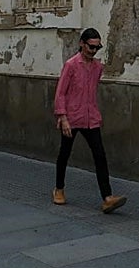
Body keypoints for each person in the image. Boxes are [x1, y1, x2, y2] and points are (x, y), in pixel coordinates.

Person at [52, 27, 126, 214]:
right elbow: (60, 92)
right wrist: (63, 117)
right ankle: (59, 188)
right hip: (72, 117)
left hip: (91, 117)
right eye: (90, 47)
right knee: (64, 153)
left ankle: (107, 197)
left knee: (100, 155)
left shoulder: (97, 67)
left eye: (96, 48)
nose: (93, 51)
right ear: (82, 44)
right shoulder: (71, 65)